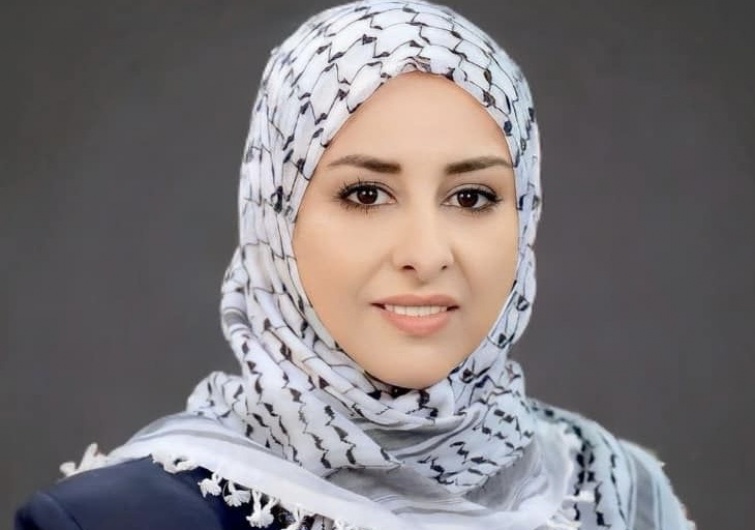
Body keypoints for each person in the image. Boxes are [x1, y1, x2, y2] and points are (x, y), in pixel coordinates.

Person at [14, 1, 694, 529]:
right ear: (275, 218)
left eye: (471, 197)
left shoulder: (618, 493)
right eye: (366, 195)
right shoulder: (116, 520)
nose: (425, 254)